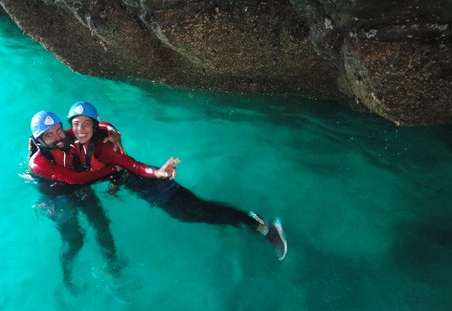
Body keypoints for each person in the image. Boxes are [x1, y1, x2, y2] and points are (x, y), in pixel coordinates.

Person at [62, 101, 288, 260]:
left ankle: (265, 228)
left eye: (86, 124)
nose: (80, 129)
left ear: (93, 125)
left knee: (202, 210)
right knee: (188, 216)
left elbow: (133, 166)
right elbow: (62, 134)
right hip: (143, 189)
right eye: (76, 124)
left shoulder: (104, 148)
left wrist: (159, 173)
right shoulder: (84, 140)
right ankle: (244, 220)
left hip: (153, 184)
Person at [28, 111, 121, 290]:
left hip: (79, 188)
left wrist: (113, 132)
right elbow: (76, 179)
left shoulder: (67, 137)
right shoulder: (38, 163)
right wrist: (111, 169)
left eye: (58, 130)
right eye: (49, 135)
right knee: (75, 240)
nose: (57, 137)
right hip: (57, 199)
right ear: (39, 141)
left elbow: (98, 125)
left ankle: (112, 264)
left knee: (102, 224)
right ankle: (67, 273)